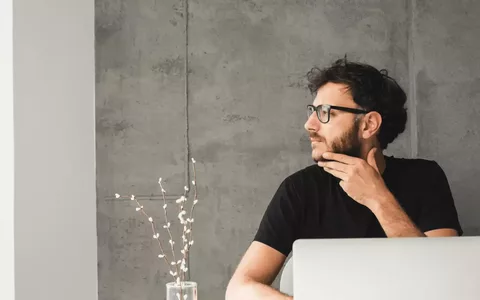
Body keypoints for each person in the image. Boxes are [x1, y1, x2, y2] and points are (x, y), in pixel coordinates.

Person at [225, 58, 463, 300]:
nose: (309, 124)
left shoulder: (425, 179)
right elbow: (240, 289)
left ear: (369, 124)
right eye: (313, 111)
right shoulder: (300, 190)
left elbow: (444, 284)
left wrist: (378, 198)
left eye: (326, 112)